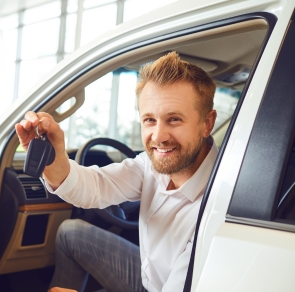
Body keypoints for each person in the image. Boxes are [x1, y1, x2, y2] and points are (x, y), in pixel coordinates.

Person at [15, 52, 218, 292]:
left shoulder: (217, 207)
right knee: (70, 233)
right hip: (148, 276)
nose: (159, 137)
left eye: (174, 119)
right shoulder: (151, 165)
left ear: (207, 123)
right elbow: (98, 186)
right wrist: (55, 163)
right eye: (150, 120)